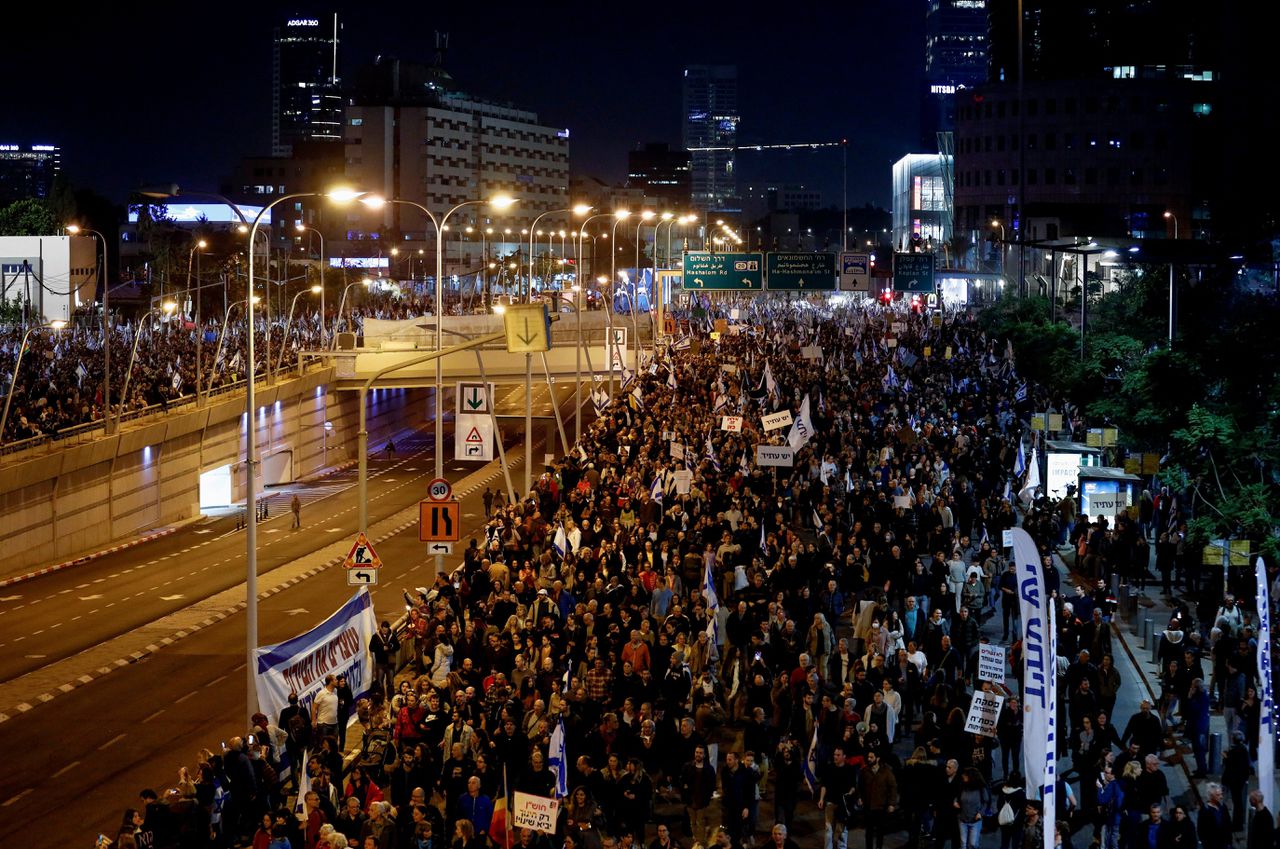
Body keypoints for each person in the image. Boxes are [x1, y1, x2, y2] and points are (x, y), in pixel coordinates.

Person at [858, 749, 899, 849]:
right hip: (868, 807)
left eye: (871, 757)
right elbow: (860, 786)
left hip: (881, 807)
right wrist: (859, 797)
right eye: (868, 757)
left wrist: (892, 804)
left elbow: (893, 787)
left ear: (878, 758)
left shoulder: (886, 771)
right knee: (869, 832)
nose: (869, 759)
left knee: (880, 833)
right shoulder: (864, 771)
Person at [1198, 784, 1233, 849]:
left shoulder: (1223, 807)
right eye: (1218, 795)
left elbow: (1228, 824)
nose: (1221, 797)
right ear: (1211, 796)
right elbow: (1201, 830)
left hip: (1224, 843)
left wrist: (1229, 842)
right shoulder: (1205, 810)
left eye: (1221, 794)